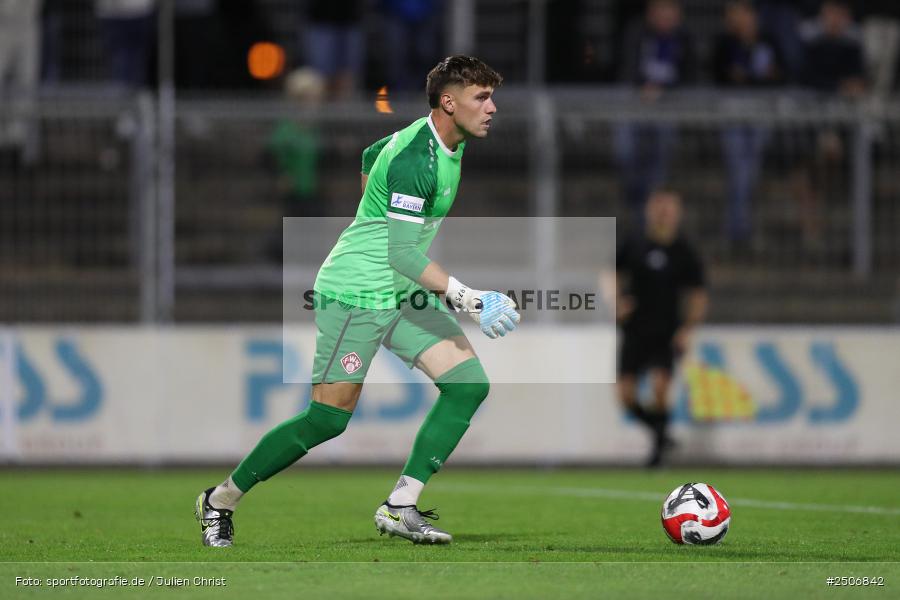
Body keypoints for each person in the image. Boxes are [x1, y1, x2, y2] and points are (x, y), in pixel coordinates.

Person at [195, 56, 519, 547]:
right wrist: (469, 299)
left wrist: (369, 213)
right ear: (448, 102)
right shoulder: (418, 159)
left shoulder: (438, 142)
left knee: (468, 384)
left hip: (396, 289)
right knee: (327, 420)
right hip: (355, 292)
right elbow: (405, 254)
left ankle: (400, 505)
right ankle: (218, 501)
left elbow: (371, 155)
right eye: (481, 97)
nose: (492, 107)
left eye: (491, 96)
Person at [615, 189, 707, 467]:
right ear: (649, 210)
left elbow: (698, 294)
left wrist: (688, 329)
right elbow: (611, 274)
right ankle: (661, 433)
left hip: (666, 331)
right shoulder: (634, 243)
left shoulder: (684, 250)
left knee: (659, 387)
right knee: (626, 395)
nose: (663, 212)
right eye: (659, 207)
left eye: (669, 207)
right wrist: (617, 302)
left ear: (677, 212)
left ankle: (656, 454)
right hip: (634, 329)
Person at [614, 0, 695, 225]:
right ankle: (634, 193)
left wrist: (665, 91)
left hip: (667, 106)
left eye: (670, 10)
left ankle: (648, 204)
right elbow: (627, 68)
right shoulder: (636, 31)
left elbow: (690, 77)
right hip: (637, 102)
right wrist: (643, 88)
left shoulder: (684, 38)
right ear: (651, 11)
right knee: (625, 151)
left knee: (659, 156)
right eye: (660, 10)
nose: (665, 16)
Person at [713, 0, 785, 245]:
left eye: (743, 13)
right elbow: (718, 74)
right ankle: (739, 230)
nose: (739, 19)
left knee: (749, 174)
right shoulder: (724, 42)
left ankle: (740, 229)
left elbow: (779, 74)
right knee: (739, 173)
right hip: (732, 114)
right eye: (733, 14)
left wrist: (755, 77)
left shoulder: (768, 40)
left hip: (760, 114)